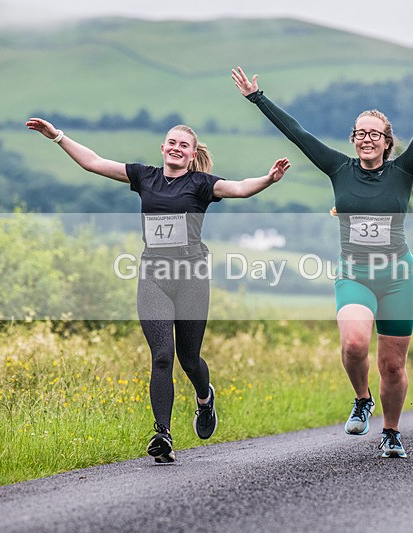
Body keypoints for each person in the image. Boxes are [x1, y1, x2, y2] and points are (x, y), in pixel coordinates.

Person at [232, 50, 413, 458]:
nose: (366, 139)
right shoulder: (338, 168)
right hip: (355, 274)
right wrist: (256, 97)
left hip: (398, 277)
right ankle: (362, 398)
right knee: (352, 344)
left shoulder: (404, 170)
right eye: (360, 133)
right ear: (353, 139)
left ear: (387, 142)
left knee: (394, 366)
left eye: (374, 134)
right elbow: (298, 133)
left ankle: (392, 430)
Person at [26, 117, 291, 463]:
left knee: (189, 358)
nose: (176, 148)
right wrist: (58, 136)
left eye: (184, 145)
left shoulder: (201, 184)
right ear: (163, 148)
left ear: (193, 154)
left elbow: (240, 187)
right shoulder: (144, 177)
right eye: (172, 142)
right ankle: (162, 434)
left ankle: (204, 398)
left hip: (192, 276)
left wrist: (269, 179)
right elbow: (94, 162)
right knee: (162, 355)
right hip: (154, 274)